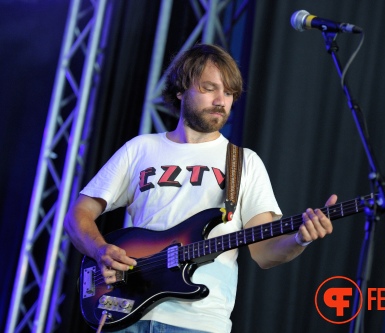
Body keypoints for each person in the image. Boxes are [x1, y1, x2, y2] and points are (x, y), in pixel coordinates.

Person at [64, 43, 337, 333]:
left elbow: (265, 253)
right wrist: (101, 250)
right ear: (181, 90)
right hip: (126, 313)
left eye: (230, 93)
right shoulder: (141, 148)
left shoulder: (244, 162)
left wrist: (300, 240)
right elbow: (78, 215)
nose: (222, 100)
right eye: (210, 88)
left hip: (199, 323)